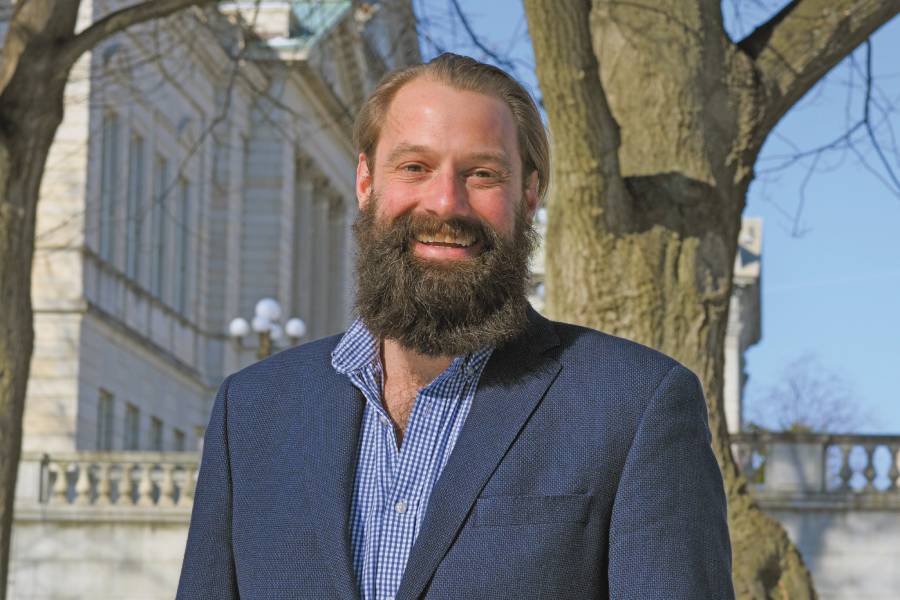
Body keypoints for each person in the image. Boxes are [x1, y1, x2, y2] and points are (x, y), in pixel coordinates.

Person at [177, 53, 734, 599]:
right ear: (367, 183)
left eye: (483, 174)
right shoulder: (251, 410)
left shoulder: (635, 405)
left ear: (530, 196)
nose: (445, 202)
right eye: (414, 167)